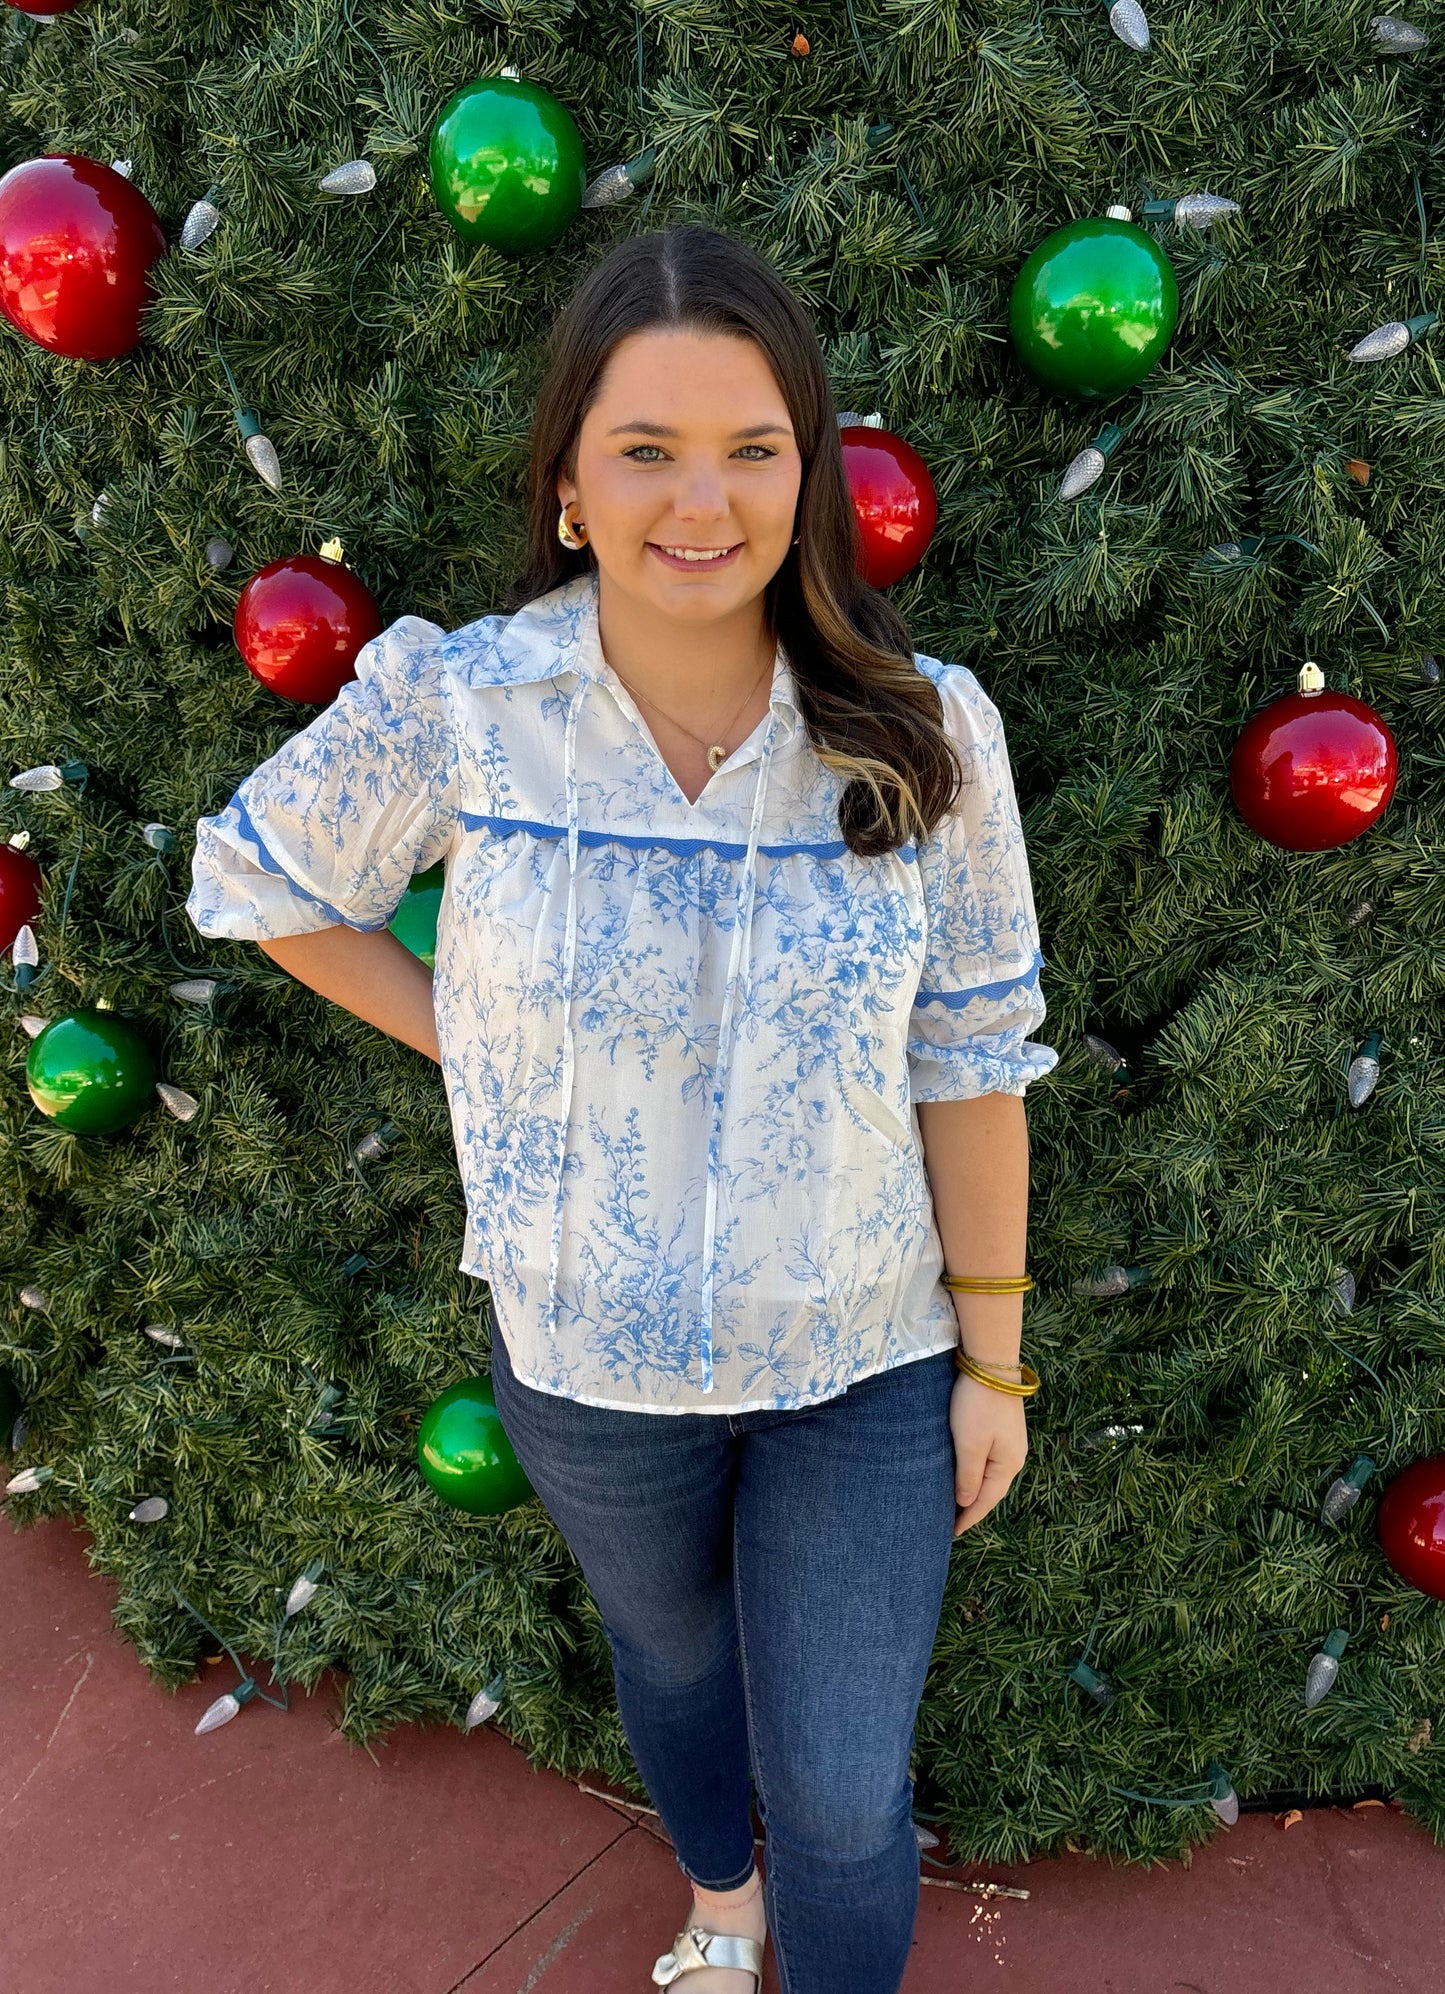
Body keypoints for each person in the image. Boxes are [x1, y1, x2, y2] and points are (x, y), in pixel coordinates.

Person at [187, 224, 1058, 1994]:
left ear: (805, 475)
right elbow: (256, 878)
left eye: (750, 449)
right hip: (586, 1356)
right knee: (666, 1661)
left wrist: (995, 1358)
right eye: (645, 450)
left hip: (863, 1359)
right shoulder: (469, 707)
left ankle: (793, 1912)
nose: (700, 501)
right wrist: (477, 1043)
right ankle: (714, 1899)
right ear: (571, 483)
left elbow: (969, 1058)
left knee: (838, 1783)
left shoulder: (919, 735)